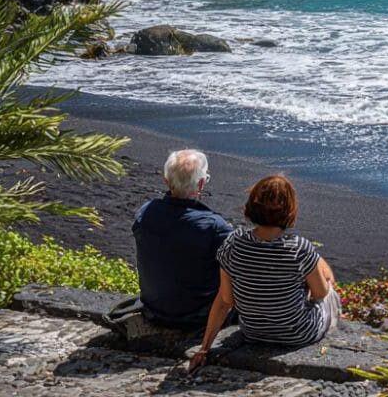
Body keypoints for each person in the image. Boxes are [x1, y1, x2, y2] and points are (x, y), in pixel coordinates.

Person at [189, 174, 342, 370]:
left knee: (313, 263)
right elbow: (320, 294)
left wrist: (204, 348)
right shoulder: (299, 248)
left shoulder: (233, 243)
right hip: (298, 334)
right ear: (289, 210)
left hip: (253, 332)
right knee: (326, 282)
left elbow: (225, 300)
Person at [132, 150, 233, 328]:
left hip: (153, 309)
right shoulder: (214, 227)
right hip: (197, 315)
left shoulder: (146, 212)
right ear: (201, 184)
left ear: (166, 181)